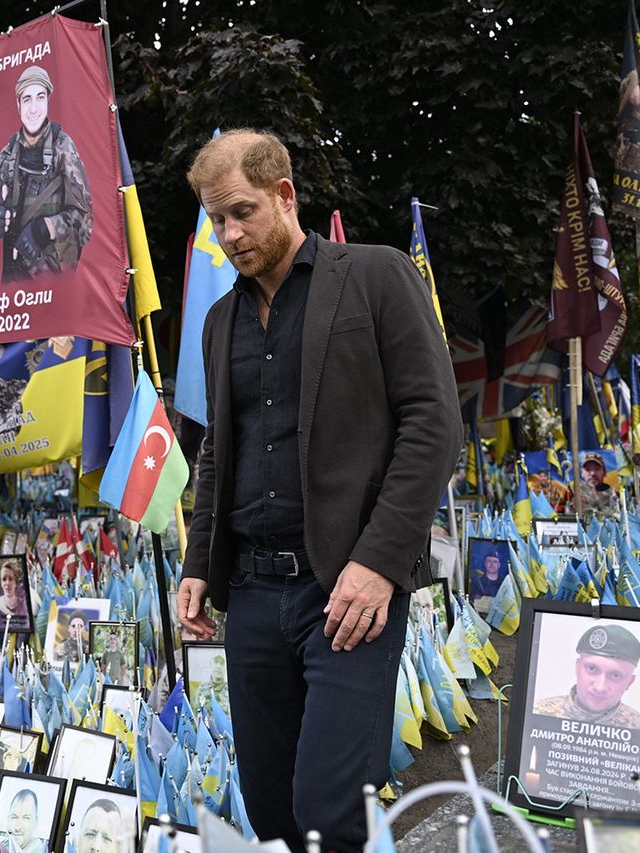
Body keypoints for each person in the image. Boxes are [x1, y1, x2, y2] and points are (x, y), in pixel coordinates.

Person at [177, 130, 461, 852]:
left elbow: (433, 424)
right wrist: (199, 562)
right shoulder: (218, 322)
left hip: (347, 589)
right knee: (272, 815)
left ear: (285, 194)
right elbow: (218, 451)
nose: (230, 233)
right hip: (253, 595)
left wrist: (378, 562)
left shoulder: (375, 276)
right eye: (216, 220)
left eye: (241, 211)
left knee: (330, 815)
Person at [0, 65, 93, 282]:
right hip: (12, 282)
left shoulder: (63, 147)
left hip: (51, 284)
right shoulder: (8, 154)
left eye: (40, 97)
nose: (33, 108)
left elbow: (85, 218)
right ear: (18, 105)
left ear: (48, 101)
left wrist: (45, 228)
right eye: (27, 99)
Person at [533, 624, 640, 728]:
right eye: (592, 669)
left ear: (629, 682)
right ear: (577, 667)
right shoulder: (538, 713)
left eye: (615, 676)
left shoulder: (639, 728)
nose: (600, 687)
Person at [0, 787, 46, 853]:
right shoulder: (3, 844)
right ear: (8, 819)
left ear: (35, 823)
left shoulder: (42, 850)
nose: (18, 827)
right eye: (14, 817)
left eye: (26, 818)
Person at [0, 559, 30, 631]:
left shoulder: (24, 605)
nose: (7, 583)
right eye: (4, 579)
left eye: (10, 579)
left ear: (15, 582)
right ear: (1, 583)